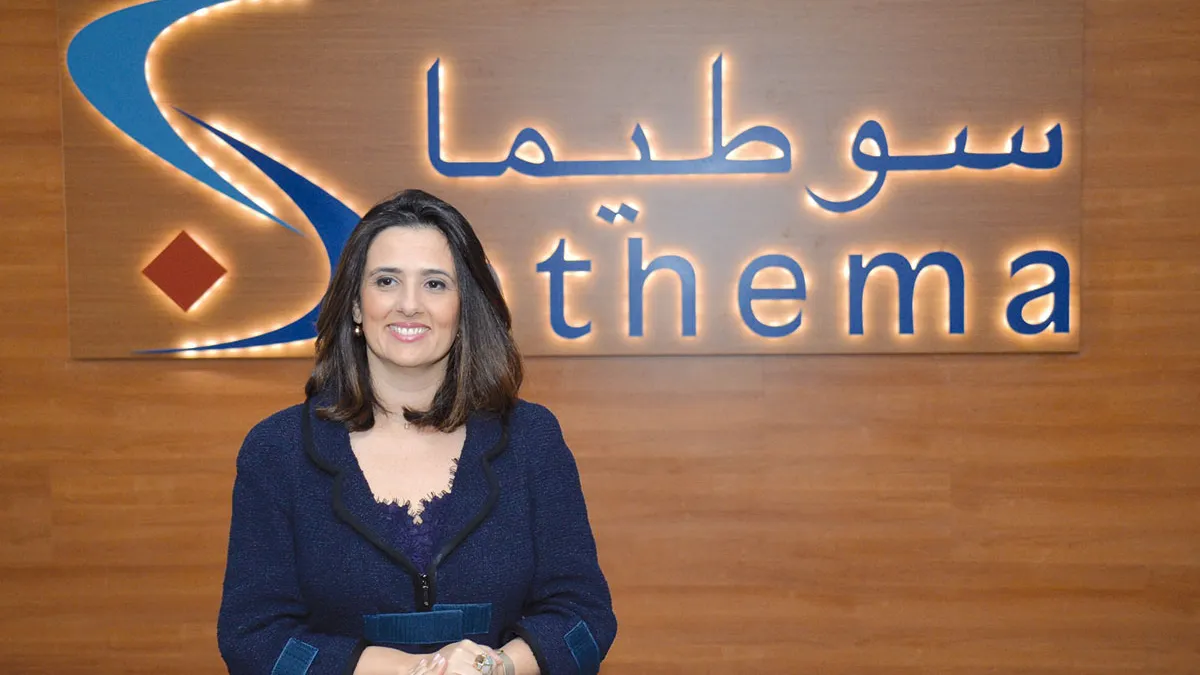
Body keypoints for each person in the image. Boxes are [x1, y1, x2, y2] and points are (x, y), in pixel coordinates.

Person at [217, 189, 617, 675]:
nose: (409, 305)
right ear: (356, 305)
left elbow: (584, 618)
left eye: (434, 284)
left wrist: (497, 666)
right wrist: (398, 669)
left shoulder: (532, 438)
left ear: (464, 307)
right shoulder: (277, 451)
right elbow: (252, 637)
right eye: (386, 281)